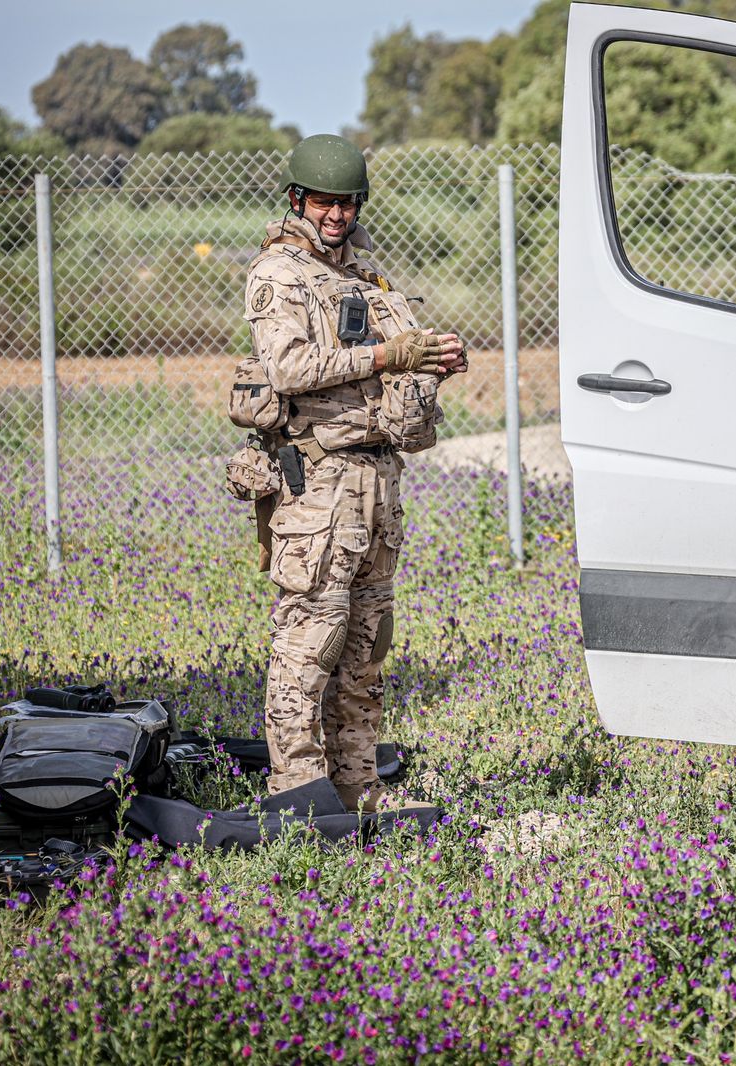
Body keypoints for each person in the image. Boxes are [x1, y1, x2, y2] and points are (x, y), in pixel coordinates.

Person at [242, 134, 466, 811]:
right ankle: (298, 797)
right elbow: (290, 369)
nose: (335, 214)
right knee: (310, 645)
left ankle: (358, 789)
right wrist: (387, 358)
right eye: (322, 201)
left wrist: (429, 366)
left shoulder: (366, 279)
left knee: (366, 651)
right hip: (319, 485)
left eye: (346, 202)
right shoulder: (278, 275)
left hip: (377, 484)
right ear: (296, 200)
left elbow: (397, 372)